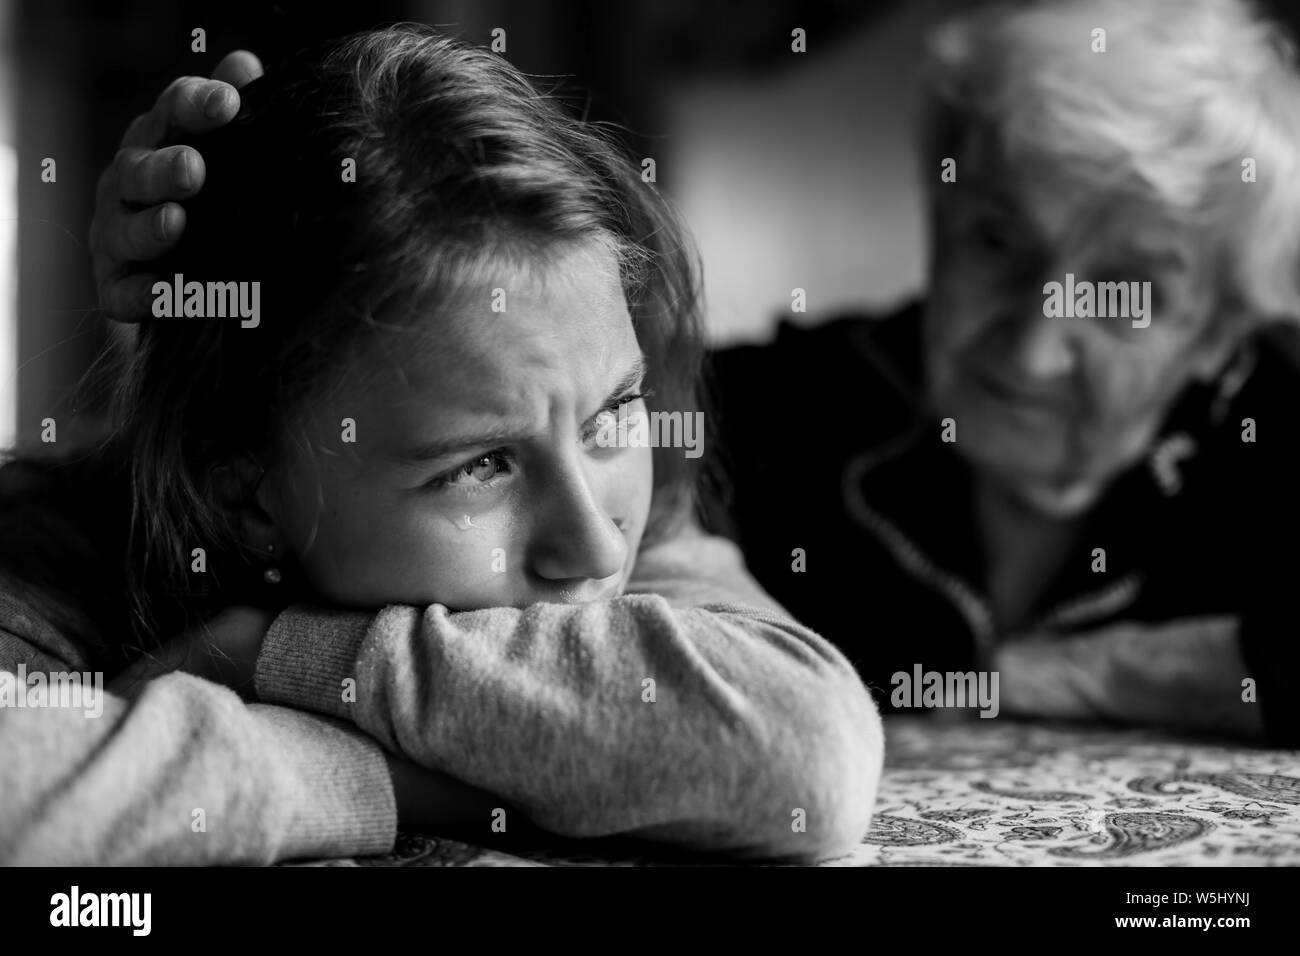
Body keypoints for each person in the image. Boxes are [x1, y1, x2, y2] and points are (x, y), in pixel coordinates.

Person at [1, 26, 883, 865]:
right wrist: (416, 779)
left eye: (612, 416)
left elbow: (805, 749)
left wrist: (276, 653)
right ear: (248, 496)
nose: (594, 544)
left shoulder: (637, 543)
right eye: (480, 465)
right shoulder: (45, 574)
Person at [706, 0, 1300, 743]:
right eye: (994, 241)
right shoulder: (767, 411)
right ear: (938, 215)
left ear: (1221, 331)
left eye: (1126, 293)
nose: (1031, 350)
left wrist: (1088, 674)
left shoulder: (1274, 435)